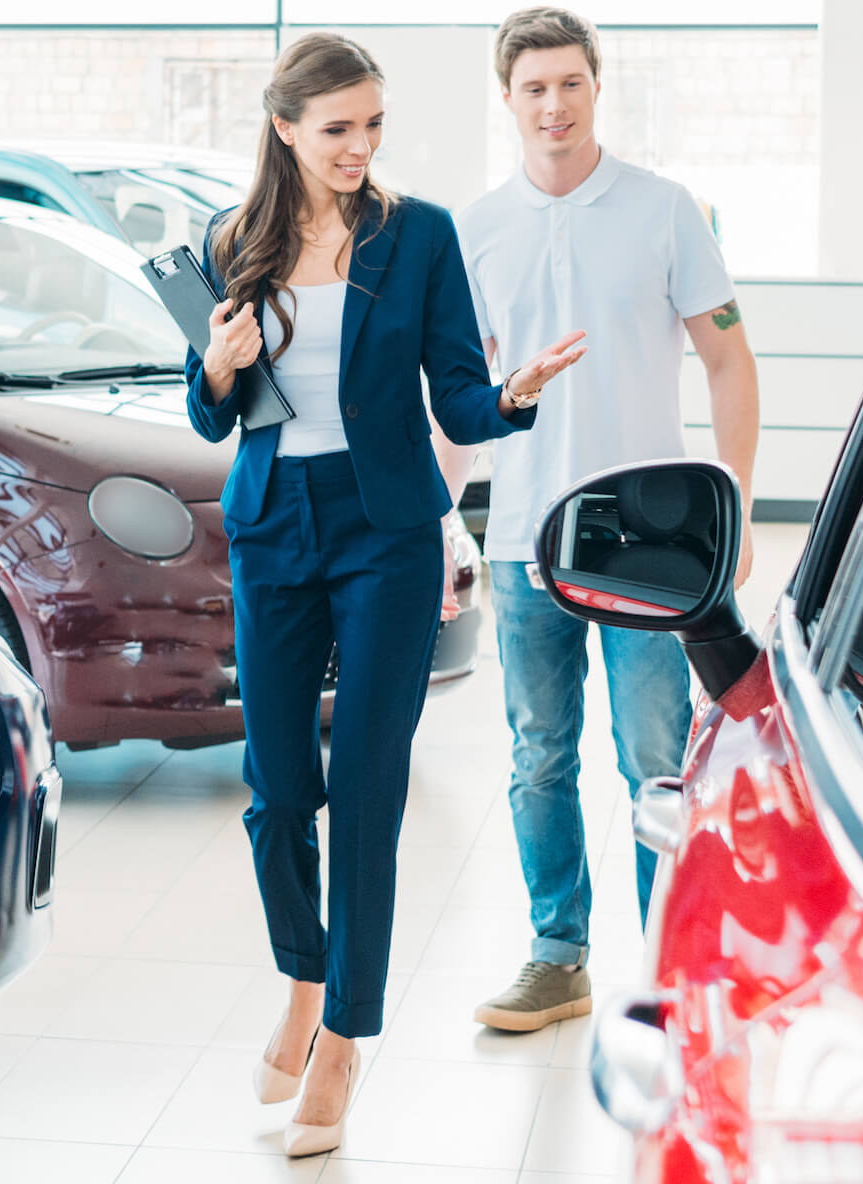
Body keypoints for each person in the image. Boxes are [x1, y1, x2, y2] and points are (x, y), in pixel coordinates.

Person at [185, 32, 588, 1158]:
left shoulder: (419, 237)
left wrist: (511, 395)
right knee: (275, 789)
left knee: (364, 788)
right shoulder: (235, 242)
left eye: (373, 126)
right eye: (337, 128)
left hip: (389, 532)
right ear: (285, 129)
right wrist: (215, 368)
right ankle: (305, 977)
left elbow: (457, 396)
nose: (359, 147)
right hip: (274, 525)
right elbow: (214, 415)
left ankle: (347, 1036)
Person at [456, 6, 762, 1033]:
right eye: (533, 87)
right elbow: (461, 398)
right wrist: (441, 515)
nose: (553, 105)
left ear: (597, 86)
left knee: (655, 758)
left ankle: (670, 962)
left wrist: (739, 502)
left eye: (570, 84)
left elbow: (728, 358)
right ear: (507, 98)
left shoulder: (665, 209)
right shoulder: (475, 229)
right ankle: (557, 955)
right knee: (539, 751)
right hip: (522, 539)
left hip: (648, 543)